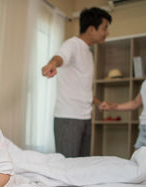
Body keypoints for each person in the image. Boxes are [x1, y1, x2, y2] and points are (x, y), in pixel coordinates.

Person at [41, 7, 112, 157]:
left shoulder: (88, 52)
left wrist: (99, 103)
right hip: (68, 118)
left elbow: (82, 89)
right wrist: (52, 64)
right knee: (68, 169)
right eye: (105, 28)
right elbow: (60, 57)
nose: (107, 33)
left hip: (85, 117)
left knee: (81, 168)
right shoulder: (72, 44)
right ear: (91, 29)